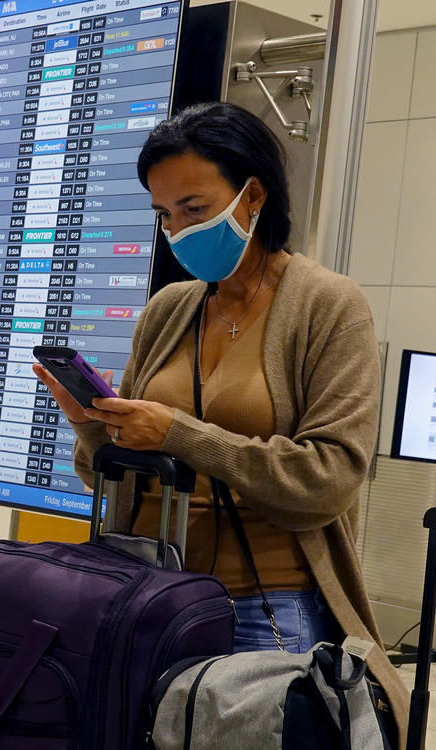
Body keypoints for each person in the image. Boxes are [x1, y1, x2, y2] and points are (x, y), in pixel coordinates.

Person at [33, 101, 408, 744]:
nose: (177, 230)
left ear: (253, 194)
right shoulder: (170, 308)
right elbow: (114, 473)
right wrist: (93, 427)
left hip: (266, 608)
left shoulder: (327, 305)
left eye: (195, 209)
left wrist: (177, 432)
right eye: (164, 215)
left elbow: (330, 478)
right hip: (150, 597)